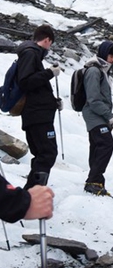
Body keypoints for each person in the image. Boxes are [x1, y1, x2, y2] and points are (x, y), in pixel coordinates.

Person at [16, 24, 61, 190]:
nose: (49, 47)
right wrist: (50, 73)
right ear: (47, 40)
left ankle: (30, 195)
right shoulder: (30, 53)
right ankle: (32, 196)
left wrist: (53, 103)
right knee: (47, 154)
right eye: (50, 43)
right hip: (37, 116)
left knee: (43, 154)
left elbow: (36, 88)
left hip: (36, 115)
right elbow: (26, 82)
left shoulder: (31, 54)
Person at [81, 40, 113, 196]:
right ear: (104, 53)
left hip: (99, 116)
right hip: (94, 115)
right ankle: (93, 181)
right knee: (106, 145)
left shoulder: (103, 71)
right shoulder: (94, 71)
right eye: (111, 55)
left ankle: (96, 182)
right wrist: (109, 115)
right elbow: (93, 99)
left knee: (97, 147)